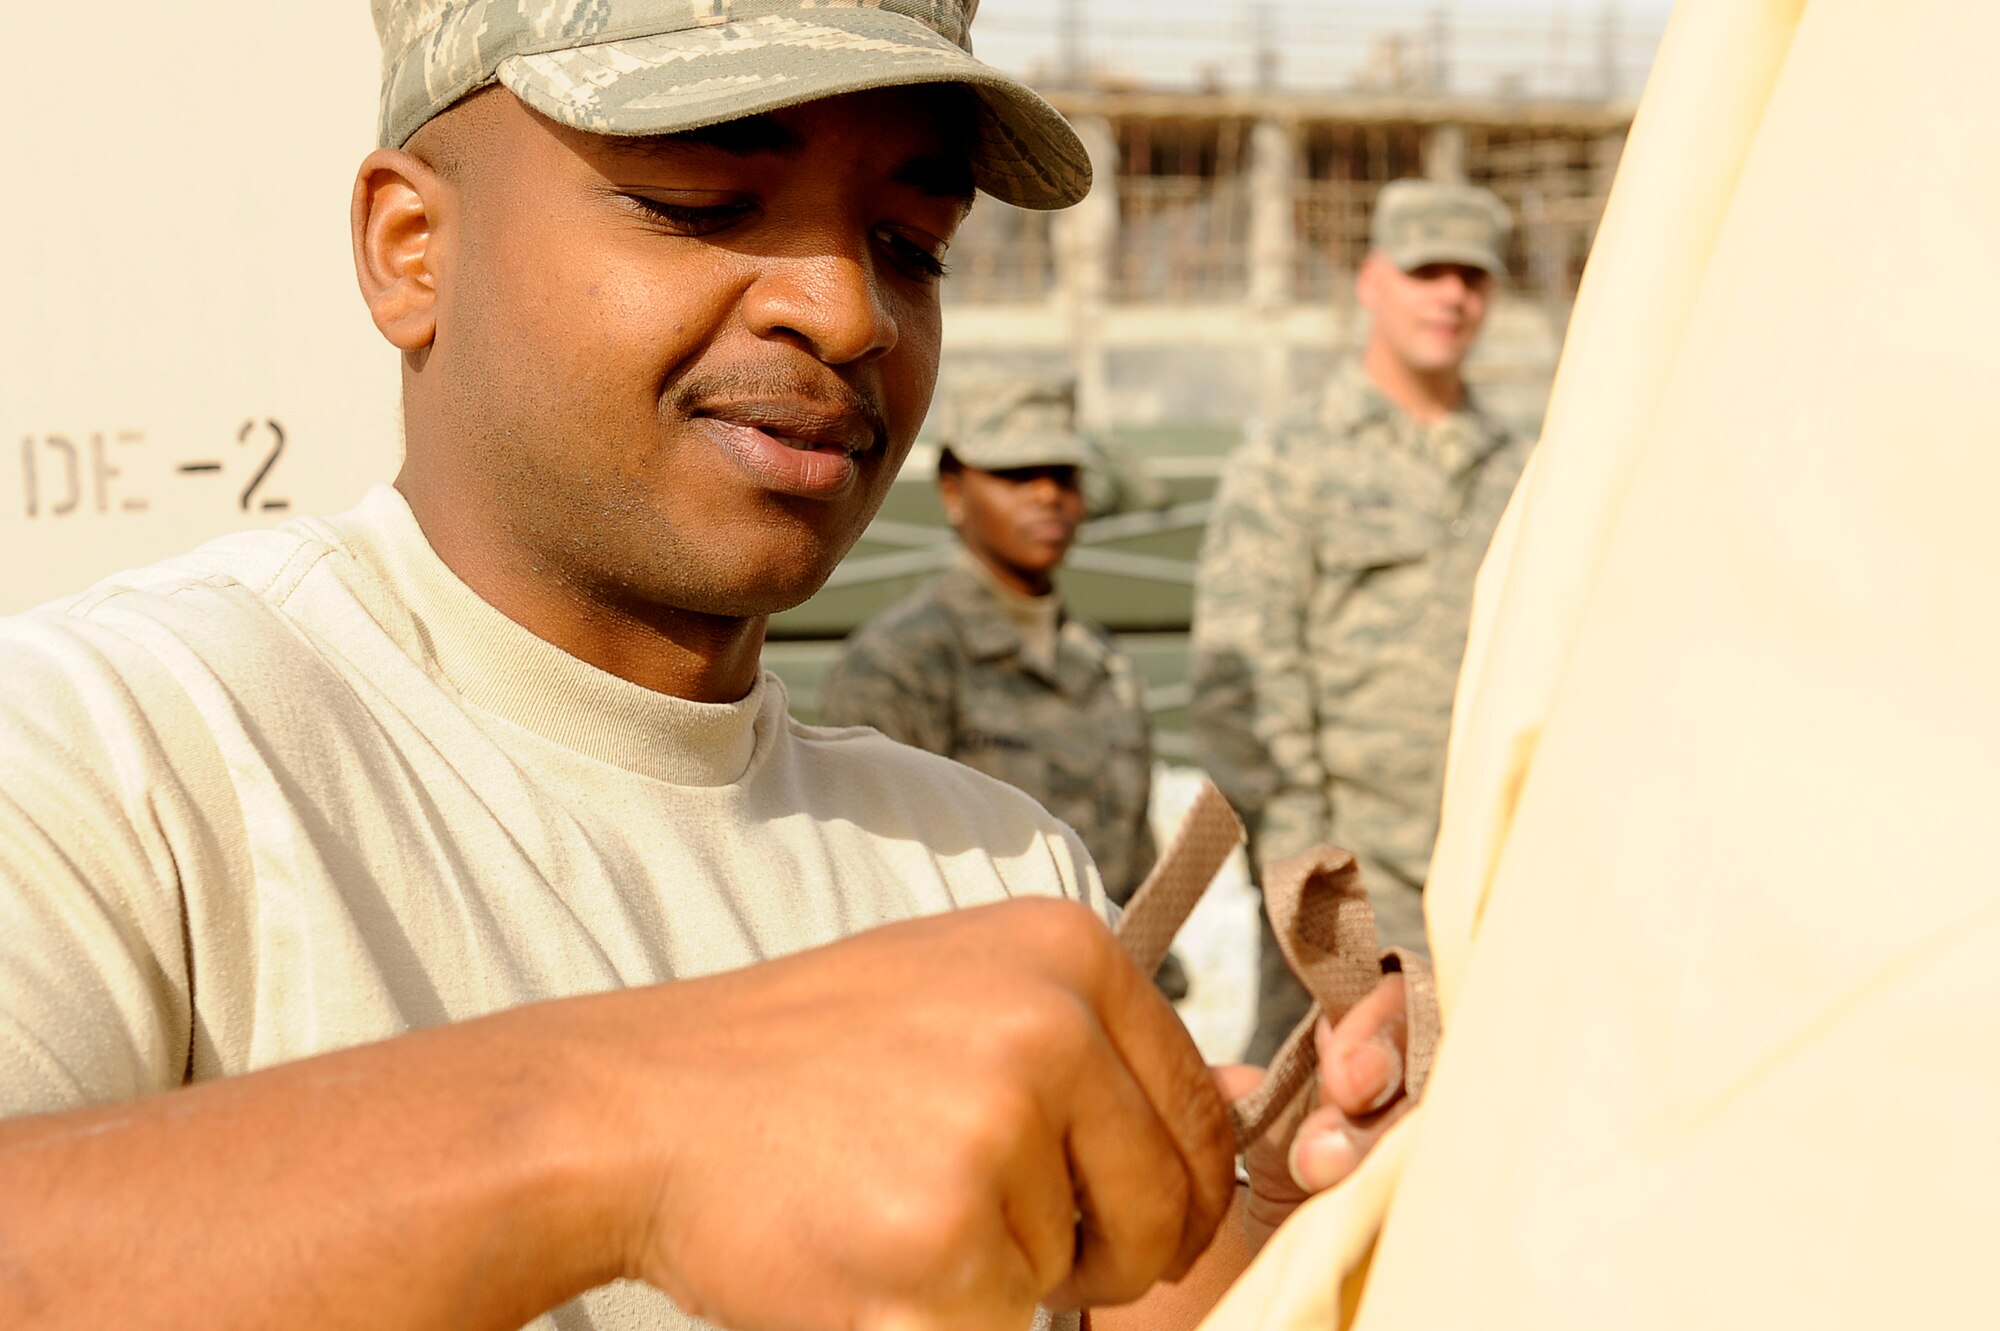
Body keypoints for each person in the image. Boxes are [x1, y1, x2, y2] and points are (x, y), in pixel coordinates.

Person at [0, 4, 1413, 1330]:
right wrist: (625, 1125)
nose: (846, 310)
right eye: (701, 203)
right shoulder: (112, 753)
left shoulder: (989, 867)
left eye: (910, 241)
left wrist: (1279, 1225)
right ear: (410, 250)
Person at [1192, 178, 1526, 1063]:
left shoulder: (1523, 468)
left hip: (1497, 876)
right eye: (1427, 271)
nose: (1451, 295)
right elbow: (1244, 682)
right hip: (1353, 884)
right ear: (1373, 281)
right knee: (1327, 1118)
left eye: (1472, 276)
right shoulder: (1293, 460)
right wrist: (1311, 878)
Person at [820, 380, 1186, 996]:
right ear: (953, 491)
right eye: (1017, 475)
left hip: (1109, 1000)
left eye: (1064, 476)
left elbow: (1133, 858)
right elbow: (868, 878)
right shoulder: (902, 664)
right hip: (967, 1006)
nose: (1048, 495)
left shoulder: (1103, 664)